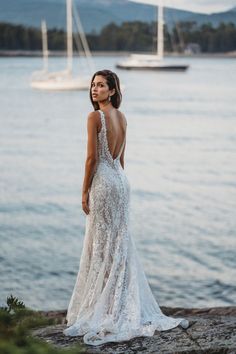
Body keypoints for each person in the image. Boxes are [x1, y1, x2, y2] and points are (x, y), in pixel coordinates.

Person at [63, 69, 189, 346]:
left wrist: (84, 191)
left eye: (101, 86)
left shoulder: (95, 117)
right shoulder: (122, 118)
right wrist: (117, 185)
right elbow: (121, 160)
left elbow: (91, 159)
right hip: (121, 182)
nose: (95, 89)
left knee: (102, 245)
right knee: (118, 244)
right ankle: (116, 306)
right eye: (93, 85)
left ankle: (106, 309)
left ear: (112, 90)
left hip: (104, 183)